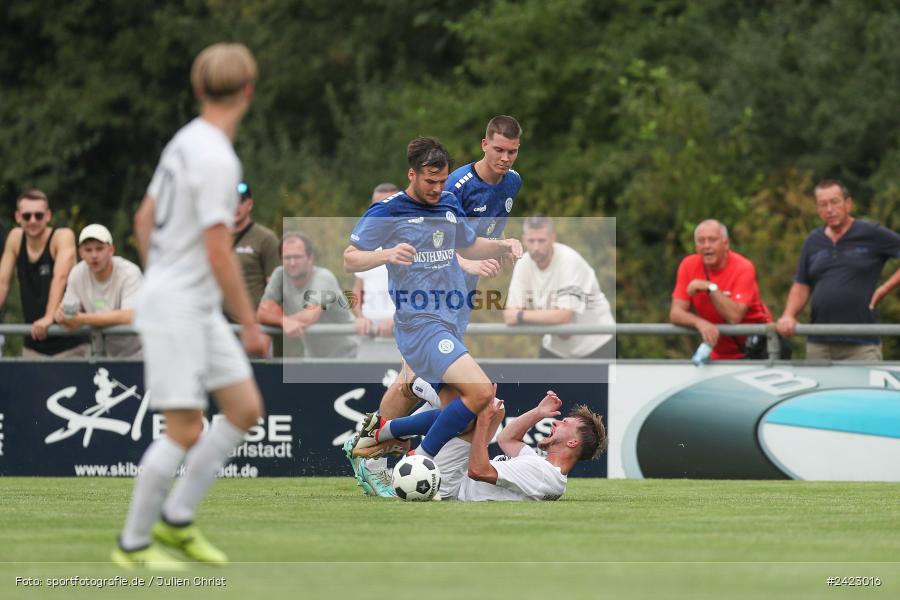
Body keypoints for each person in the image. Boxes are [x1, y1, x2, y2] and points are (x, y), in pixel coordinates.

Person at [112, 42, 270, 569]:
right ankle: (133, 545)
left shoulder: (184, 142)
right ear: (248, 91)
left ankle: (176, 520)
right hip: (181, 306)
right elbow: (217, 249)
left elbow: (142, 217)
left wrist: (163, 277)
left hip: (186, 302)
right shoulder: (217, 157)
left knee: (245, 409)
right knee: (184, 429)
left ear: (200, 89)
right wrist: (250, 324)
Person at [344, 117, 524, 497]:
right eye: (431, 181)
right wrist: (386, 252)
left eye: (442, 181)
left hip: (449, 316)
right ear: (412, 174)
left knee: (460, 417)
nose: (438, 188)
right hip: (420, 323)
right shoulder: (389, 211)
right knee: (480, 394)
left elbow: (469, 245)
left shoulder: (447, 202)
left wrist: (503, 245)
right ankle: (416, 459)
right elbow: (350, 258)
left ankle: (375, 437)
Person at [776, 179, 900, 360]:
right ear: (817, 209)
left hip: (862, 345)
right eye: (823, 204)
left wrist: (884, 289)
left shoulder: (870, 232)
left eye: (835, 202)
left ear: (848, 204)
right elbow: (801, 284)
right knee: (820, 390)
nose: (829, 209)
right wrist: (788, 315)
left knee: (862, 390)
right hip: (819, 344)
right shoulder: (813, 241)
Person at [436, 390, 606, 501]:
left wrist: (482, 422)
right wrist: (538, 412)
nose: (555, 423)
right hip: (454, 478)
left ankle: (415, 385)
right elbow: (506, 439)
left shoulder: (540, 472)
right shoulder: (548, 473)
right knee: (491, 406)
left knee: (476, 401)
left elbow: (478, 470)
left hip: (450, 484)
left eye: (564, 423)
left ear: (573, 442)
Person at [503, 216, 616, 358]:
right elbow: (509, 316)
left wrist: (521, 315)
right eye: (531, 241)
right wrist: (550, 318)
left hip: (597, 344)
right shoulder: (523, 264)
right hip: (556, 348)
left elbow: (564, 317)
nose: (536, 247)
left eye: (541, 240)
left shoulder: (569, 261)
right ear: (524, 240)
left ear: (552, 238)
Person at [669, 219, 774, 360]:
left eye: (712, 240)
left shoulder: (743, 267)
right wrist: (700, 323)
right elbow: (676, 313)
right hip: (719, 353)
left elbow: (734, 317)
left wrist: (710, 288)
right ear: (696, 246)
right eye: (701, 241)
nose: (706, 246)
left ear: (726, 243)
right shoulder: (688, 265)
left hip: (758, 350)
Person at [0, 189, 85, 358]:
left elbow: (60, 278)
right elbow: (2, 282)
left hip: (69, 343)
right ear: (18, 217)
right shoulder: (15, 238)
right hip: (34, 343)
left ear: (48, 215)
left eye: (38, 215)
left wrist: (48, 317)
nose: (32, 221)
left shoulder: (62, 236)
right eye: (27, 216)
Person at [257, 231, 358, 358]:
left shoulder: (323, 277)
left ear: (310, 258)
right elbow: (262, 313)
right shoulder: (279, 275)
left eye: (297, 257)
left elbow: (310, 316)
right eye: (287, 258)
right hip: (315, 357)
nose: (292, 263)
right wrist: (283, 321)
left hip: (351, 354)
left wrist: (278, 319)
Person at [54, 224, 143, 358]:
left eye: (99, 249)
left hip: (140, 353)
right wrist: (61, 316)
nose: (94, 255)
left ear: (111, 250)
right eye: (88, 250)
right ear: (81, 253)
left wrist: (82, 319)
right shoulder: (77, 273)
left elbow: (129, 316)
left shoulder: (129, 272)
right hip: (102, 355)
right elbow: (68, 312)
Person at [352, 183, 402, 361]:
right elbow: (357, 290)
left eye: (389, 205)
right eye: (377, 206)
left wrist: (396, 319)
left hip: (402, 339)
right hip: (368, 339)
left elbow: (425, 294)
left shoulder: (413, 242)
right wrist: (359, 317)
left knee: (403, 388)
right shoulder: (365, 246)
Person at [226, 180, 280, 322]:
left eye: (241, 201)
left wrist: (267, 327)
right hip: (218, 329)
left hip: (251, 329)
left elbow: (276, 289)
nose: (236, 206)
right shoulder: (215, 237)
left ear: (250, 204)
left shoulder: (265, 238)